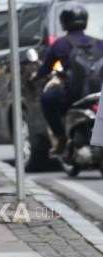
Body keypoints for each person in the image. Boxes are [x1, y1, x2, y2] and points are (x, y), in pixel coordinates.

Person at [31, 1, 103, 154]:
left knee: (46, 99)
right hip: (98, 93)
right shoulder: (98, 43)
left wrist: (35, 77)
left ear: (63, 22)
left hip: (74, 93)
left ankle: (61, 138)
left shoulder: (60, 44)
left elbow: (45, 69)